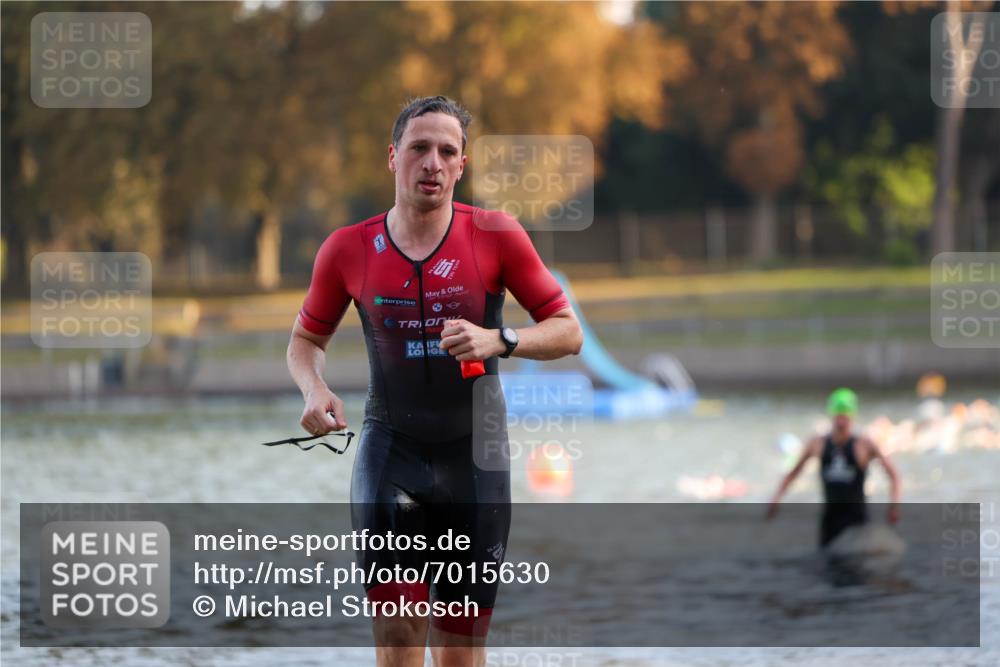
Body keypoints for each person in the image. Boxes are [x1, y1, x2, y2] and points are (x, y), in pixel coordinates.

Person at [286, 95, 583, 667]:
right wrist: (314, 389)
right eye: (420, 148)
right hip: (390, 450)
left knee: (459, 651)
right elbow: (305, 342)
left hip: (476, 460)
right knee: (397, 638)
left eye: (448, 152)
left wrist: (502, 340)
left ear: (462, 166)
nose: (433, 163)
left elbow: (568, 331)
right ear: (392, 156)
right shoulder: (347, 247)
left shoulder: (495, 234)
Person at [767, 388, 901, 548]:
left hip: (857, 521)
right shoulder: (818, 443)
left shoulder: (864, 444)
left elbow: (894, 476)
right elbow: (793, 473)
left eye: (845, 415)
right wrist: (776, 500)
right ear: (831, 414)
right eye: (838, 415)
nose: (841, 420)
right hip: (830, 521)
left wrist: (894, 506)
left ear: (852, 415)